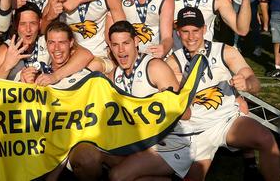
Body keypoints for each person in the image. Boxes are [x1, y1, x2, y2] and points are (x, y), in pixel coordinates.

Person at [65, 21, 190, 181]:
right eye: (115, 45)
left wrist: (160, 105)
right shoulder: (113, 76)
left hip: (167, 144)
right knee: (86, 155)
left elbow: (185, 113)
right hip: (134, 143)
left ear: (136, 41)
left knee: (118, 176)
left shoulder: (154, 67)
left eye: (126, 43)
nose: (121, 50)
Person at [169, 7, 280, 181]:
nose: (191, 37)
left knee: (266, 139)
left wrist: (247, 83)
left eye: (195, 31)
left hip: (226, 121)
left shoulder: (225, 51)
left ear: (204, 29)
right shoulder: (173, 62)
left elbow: (252, 79)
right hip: (195, 130)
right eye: (185, 31)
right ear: (178, 32)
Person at [0, 3, 93, 84]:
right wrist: (7, 65)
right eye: (22, 24)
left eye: (33, 23)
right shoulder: (6, 49)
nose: (28, 30)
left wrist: (55, 76)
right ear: (15, 25)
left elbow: (86, 55)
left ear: (40, 23)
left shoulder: (47, 41)